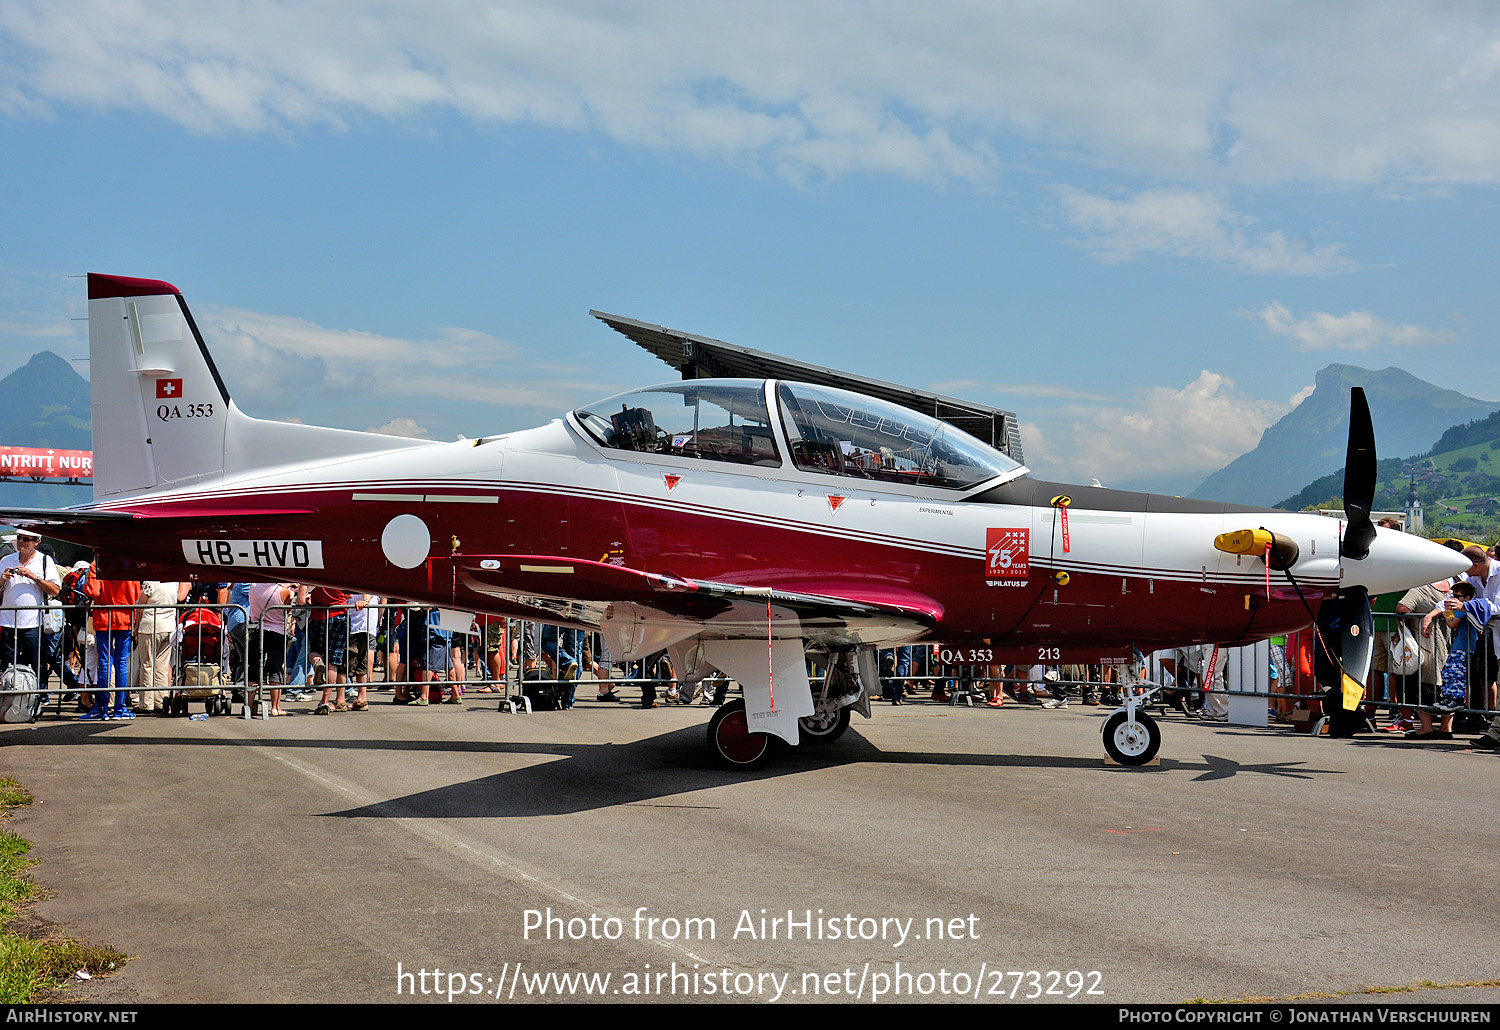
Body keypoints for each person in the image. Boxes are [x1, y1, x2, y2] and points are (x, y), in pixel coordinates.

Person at [79, 565, 141, 721]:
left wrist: (86, 585)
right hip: (125, 617)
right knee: (121, 663)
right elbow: (136, 594)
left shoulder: (97, 565)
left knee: (105, 662)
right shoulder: (129, 564)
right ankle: (120, 708)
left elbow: (93, 591)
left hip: (104, 617)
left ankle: (102, 708)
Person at [0, 530, 62, 677]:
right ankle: (11, 696)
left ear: (36, 542)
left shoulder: (45, 561)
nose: (21, 541)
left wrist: (34, 578)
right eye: (19, 538)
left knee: (35, 662)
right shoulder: (6, 560)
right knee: (7, 663)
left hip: (33, 622)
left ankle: (36, 696)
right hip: (7, 621)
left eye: (26, 539)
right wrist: (2, 580)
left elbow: (55, 591)